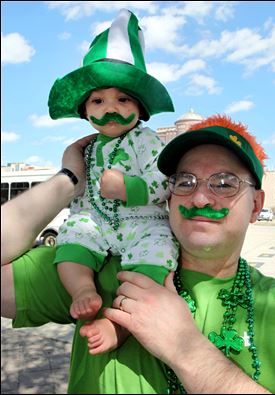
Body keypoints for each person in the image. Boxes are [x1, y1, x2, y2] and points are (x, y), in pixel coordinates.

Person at [1, 114, 275, 394]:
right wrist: (68, 181)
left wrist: (187, 350)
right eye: (185, 181)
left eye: (224, 183)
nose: (200, 197)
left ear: (257, 206)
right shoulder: (101, 273)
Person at [48, 8, 178, 353]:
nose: (111, 108)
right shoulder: (87, 149)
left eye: (123, 99)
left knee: (156, 257)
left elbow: (164, 179)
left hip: (143, 222)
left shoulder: (146, 139)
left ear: (141, 106)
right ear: (85, 109)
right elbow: (79, 192)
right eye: (98, 100)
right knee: (72, 237)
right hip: (96, 222)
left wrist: (129, 188)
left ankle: (119, 325)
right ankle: (82, 290)